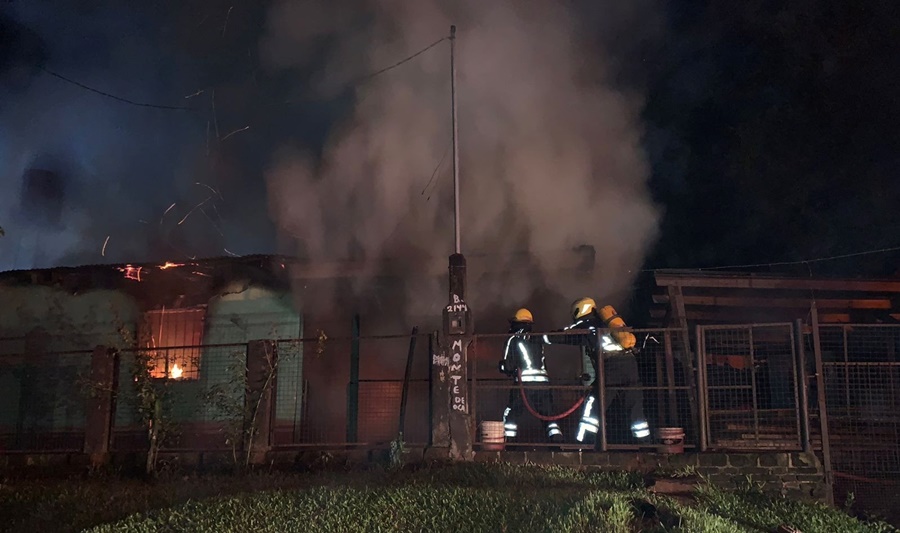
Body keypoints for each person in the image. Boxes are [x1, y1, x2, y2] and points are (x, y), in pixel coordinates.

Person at [543, 297, 650, 445]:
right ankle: (646, 445)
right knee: (635, 409)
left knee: (593, 405)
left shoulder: (586, 324)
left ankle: (584, 444)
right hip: (630, 366)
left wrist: (542, 338)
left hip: (611, 368)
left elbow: (566, 335)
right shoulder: (606, 324)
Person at [498, 308, 564, 443]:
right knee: (548, 415)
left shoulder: (513, 338)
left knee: (511, 414)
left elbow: (508, 365)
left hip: (524, 385)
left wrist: (503, 368)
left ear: (515, 323)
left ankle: (509, 445)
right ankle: (556, 443)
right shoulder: (537, 337)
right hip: (543, 384)